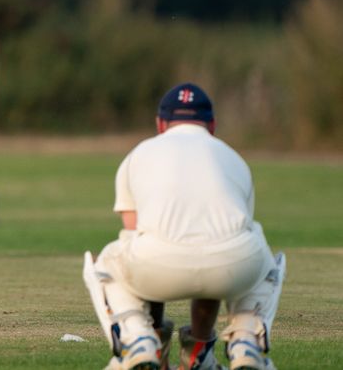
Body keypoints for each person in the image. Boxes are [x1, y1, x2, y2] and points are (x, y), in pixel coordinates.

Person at [83, 83, 284, 370]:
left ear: (160, 124)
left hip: (154, 265)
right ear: (212, 125)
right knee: (259, 254)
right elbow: (223, 238)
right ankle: (242, 340)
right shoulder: (234, 158)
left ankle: (139, 337)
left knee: (107, 261)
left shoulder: (140, 153)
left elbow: (137, 233)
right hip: (235, 266)